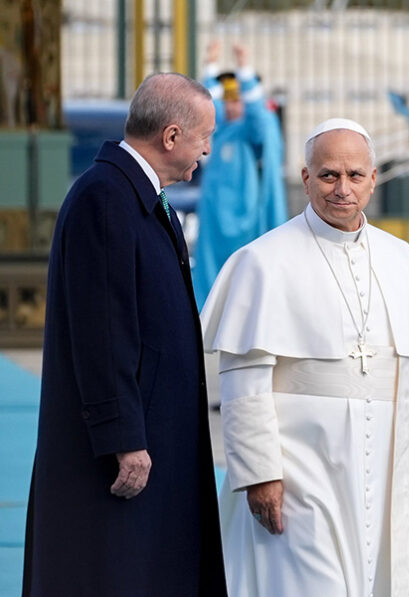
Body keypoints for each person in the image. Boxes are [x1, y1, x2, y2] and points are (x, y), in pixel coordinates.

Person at [201, 118, 409, 596]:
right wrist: (260, 472)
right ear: (306, 178)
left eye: (354, 176)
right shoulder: (264, 260)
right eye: (328, 176)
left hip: (387, 461)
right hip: (301, 468)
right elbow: (243, 381)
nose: (342, 189)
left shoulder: (400, 258)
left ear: (373, 178)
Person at [23, 73, 226, 596]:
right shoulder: (107, 198)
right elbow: (102, 328)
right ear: (172, 136)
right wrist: (122, 437)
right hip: (126, 447)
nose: (208, 149)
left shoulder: (134, 193)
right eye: (204, 136)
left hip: (155, 428)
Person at [192, 41, 288, 307]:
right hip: (214, 221)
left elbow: (258, 115)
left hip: (245, 222)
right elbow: (207, 106)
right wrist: (209, 65)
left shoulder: (254, 130)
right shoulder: (221, 129)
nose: (232, 105)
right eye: (229, 99)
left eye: (238, 99)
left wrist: (244, 68)